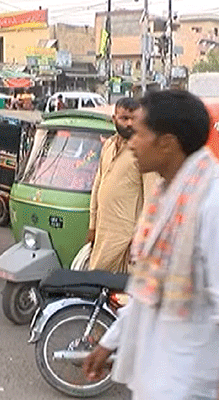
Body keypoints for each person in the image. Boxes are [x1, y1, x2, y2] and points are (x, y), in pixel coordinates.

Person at [83, 90, 219, 399]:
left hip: (192, 381)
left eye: (139, 133)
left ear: (167, 143)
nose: (131, 141)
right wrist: (109, 342)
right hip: (157, 375)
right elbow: (148, 289)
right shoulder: (166, 195)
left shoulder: (211, 202)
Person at [87, 97, 157, 273]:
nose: (129, 124)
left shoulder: (143, 151)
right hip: (103, 233)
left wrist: (141, 237)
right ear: (114, 119)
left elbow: (152, 198)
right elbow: (98, 186)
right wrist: (92, 226)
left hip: (126, 240)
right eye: (124, 118)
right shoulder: (108, 145)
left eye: (134, 119)